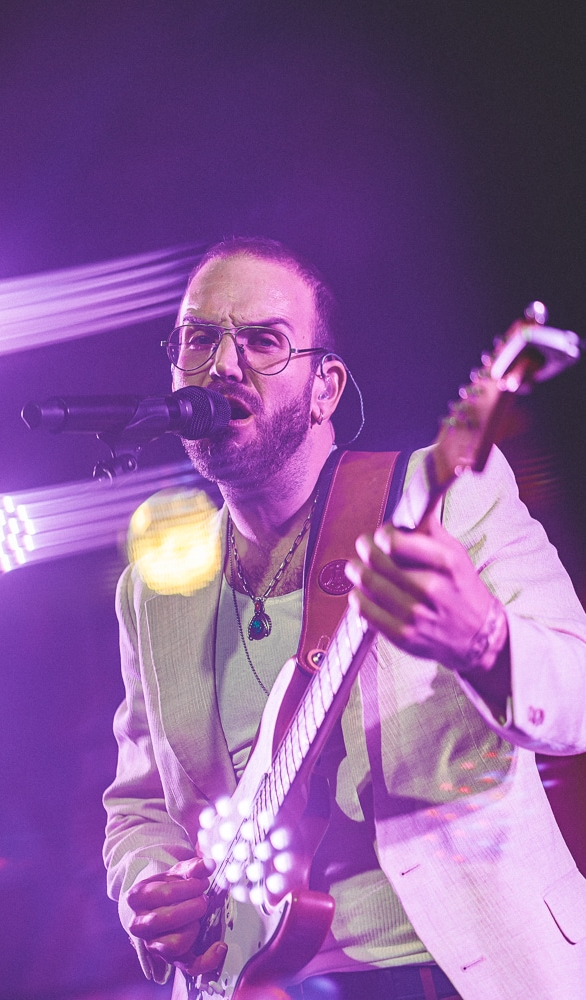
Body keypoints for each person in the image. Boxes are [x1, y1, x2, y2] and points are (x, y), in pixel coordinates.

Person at [103, 237, 586, 1000]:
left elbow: (578, 699)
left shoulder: (447, 501)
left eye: (263, 340)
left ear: (325, 387)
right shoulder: (153, 590)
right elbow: (138, 806)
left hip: (458, 970)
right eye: (199, 338)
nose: (222, 365)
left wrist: (484, 642)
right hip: (258, 984)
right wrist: (151, 886)